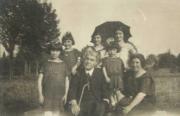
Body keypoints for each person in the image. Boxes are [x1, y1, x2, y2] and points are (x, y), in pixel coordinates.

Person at [68, 47, 110, 116]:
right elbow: (72, 90)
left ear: (96, 62)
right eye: (87, 59)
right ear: (83, 60)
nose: (88, 62)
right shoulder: (78, 73)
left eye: (92, 60)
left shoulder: (99, 73)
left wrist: (105, 102)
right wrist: (74, 103)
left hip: (97, 106)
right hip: (81, 106)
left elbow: (105, 90)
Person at [38, 42, 70, 116]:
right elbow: (40, 80)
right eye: (53, 50)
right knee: (47, 113)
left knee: (56, 113)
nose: (54, 53)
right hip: (47, 94)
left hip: (59, 95)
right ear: (49, 51)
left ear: (60, 52)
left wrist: (66, 94)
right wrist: (40, 94)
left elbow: (67, 80)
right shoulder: (45, 63)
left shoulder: (64, 64)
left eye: (57, 50)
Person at [102, 42, 125, 108]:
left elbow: (122, 70)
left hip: (118, 77)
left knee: (117, 90)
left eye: (114, 50)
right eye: (110, 50)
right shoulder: (105, 59)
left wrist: (121, 78)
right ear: (108, 50)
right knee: (110, 90)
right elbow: (103, 68)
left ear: (117, 50)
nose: (112, 52)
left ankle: (117, 100)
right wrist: (106, 77)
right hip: (109, 77)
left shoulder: (119, 60)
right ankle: (112, 99)